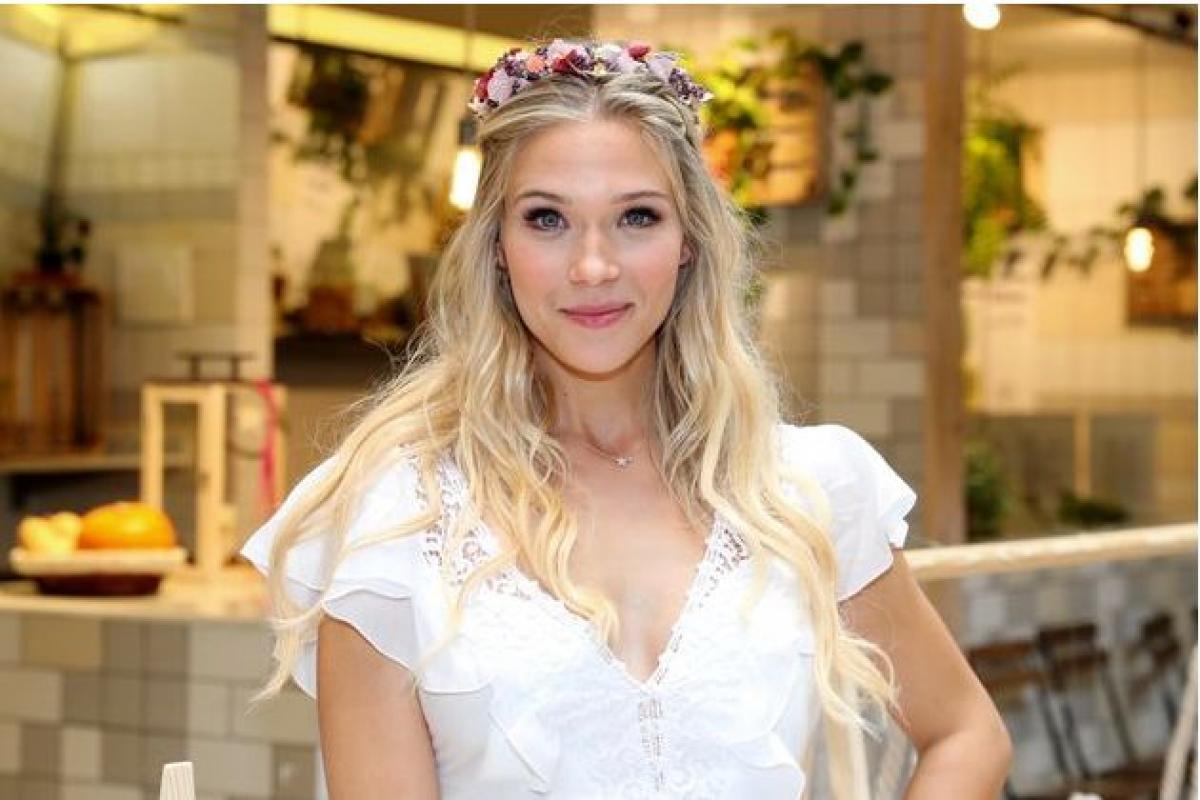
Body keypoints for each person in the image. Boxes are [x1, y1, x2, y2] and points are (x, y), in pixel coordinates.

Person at [240, 38, 1012, 799]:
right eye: (547, 219)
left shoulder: (806, 489)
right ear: (497, 246)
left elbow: (967, 733)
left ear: (688, 242)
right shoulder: (394, 517)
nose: (593, 266)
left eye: (637, 216)